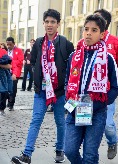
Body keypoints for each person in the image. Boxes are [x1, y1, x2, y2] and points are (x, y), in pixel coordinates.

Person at [11, 9, 74, 164]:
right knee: (36, 120)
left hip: (59, 92)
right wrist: (38, 76)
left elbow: (73, 66)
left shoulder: (65, 43)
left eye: (53, 22)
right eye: (47, 22)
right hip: (41, 91)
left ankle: (60, 150)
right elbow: (33, 62)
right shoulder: (39, 43)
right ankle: (27, 154)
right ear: (43, 23)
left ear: (58, 24)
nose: (49, 25)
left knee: (60, 121)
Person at [64, 14, 118, 164]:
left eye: (94, 30)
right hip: (75, 109)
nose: (89, 33)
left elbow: (116, 86)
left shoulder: (107, 58)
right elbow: (67, 81)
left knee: (90, 154)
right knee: (69, 150)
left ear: (102, 34)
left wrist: (101, 104)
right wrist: (69, 102)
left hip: (96, 113)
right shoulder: (73, 56)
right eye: (86, 29)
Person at [93, 9, 118, 160]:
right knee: (88, 127)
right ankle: (90, 156)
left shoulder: (116, 42)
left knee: (108, 125)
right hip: (88, 94)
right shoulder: (86, 40)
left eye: (98, 19)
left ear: (106, 23)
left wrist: (115, 84)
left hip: (107, 93)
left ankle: (112, 142)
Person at [6, 37, 24, 111]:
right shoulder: (6, 51)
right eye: (7, 44)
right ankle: (8, 99)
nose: (9, 46)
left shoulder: (19, 51)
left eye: (10, 44)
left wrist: (11, 61)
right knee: (6, 88)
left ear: (14, 43)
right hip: (6, 72)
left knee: (13, 88)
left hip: (15, 72)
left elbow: (20, 61)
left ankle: (11, 104)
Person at [0, 48, 13, 116]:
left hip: (4, 72)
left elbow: (9, 65)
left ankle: (2, 109)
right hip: (4, 72)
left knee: (4, 91)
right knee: (4, 91)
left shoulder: (3, 51)